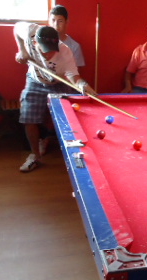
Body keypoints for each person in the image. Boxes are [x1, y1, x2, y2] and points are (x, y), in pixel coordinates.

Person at [14, 22, 96, 172]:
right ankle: (35, 156)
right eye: (45, 51)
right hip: (35, 80)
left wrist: (83, 85)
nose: (49, 54)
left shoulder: (65, 52)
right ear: (34, 42)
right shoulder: (30, 31)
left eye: (52, 50)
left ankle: (75, 153)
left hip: (58, 82)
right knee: (28, 117)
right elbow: (16, 28)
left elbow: (74, 77)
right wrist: (22, 51)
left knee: (68, 117)